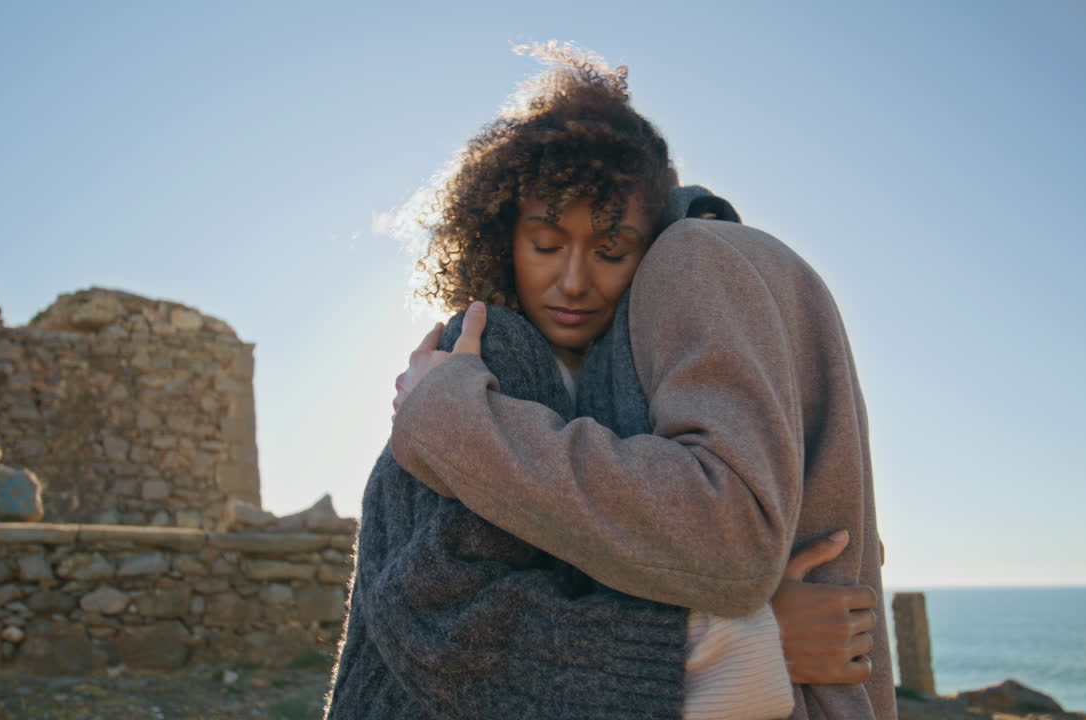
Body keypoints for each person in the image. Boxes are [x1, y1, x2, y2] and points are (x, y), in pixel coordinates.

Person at [325, 44, 882, 720]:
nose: (574, 281)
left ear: (649, 243)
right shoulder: (480, 357)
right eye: (547, 245)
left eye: (611, 251)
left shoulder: (662, 320)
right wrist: (751, 644)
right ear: (502, 235)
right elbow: (442, 623)